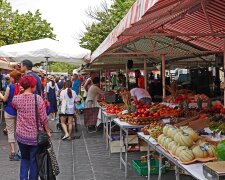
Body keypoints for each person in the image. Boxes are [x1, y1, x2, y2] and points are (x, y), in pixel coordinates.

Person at [12, 75, 51, 180]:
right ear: (33, 86)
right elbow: (44, 118)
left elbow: (14, 106)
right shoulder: (37, 99)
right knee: (34, 160)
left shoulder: (16, 99)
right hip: (35, 137)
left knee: (24, 158)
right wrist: (48, 131)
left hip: (21, 136)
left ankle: (23, 178)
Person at [0, 70, 21, 161]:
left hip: (9, 111)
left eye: (11, 77)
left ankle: (12, 152)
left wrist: (0, 94)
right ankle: (20, 151)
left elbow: (4, 99)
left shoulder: (9, 87)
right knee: (19, 131)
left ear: (13, 78)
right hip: (19, 112)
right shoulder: (22, 87)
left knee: (11, 131)